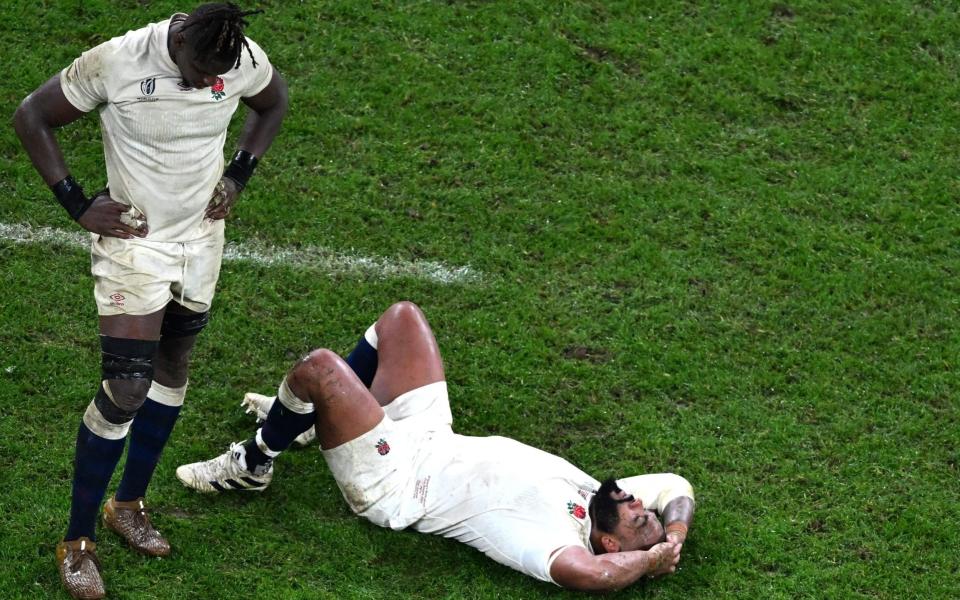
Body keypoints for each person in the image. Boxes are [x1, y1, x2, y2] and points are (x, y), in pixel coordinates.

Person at [12, 3, 288, 598]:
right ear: (179, 36)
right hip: (133, 243)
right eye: (193, 71)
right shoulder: (118, 59)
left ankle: (128, 503)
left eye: (215, 77)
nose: (202, 84)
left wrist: (238, 175)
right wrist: (77, 202)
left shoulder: (234, 57)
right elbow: (32, 115)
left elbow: (273, 102)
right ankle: (76, 539)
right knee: (126, 387)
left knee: (174, 365)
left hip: (200, 243)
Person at [177, 302, 695, 591]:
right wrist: (671, 532)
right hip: (430, 434)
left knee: (320, 369)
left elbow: (591, 578)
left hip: (396, 481)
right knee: (401, 318)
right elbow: (675, 485)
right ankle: (307, 420)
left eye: (637, 518)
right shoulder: (595, 497)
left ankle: (255, 461)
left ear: (609, 543)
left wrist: (650, 562)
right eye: (638, 507)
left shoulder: (554, 540)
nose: (633, 501)